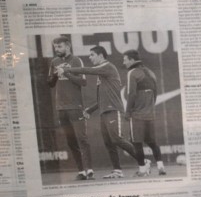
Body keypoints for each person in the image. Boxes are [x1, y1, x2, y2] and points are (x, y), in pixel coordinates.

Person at [62, 45, 145, 179]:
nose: (90, 57)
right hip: (104, 111)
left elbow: (88, 70)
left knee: (117, 139)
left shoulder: (107, 66)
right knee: (109, 143)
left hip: (113, 110)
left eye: (92, 55)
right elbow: (102, 99)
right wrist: (90, 110)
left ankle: (144, 161)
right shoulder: (102, 74)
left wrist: (67, 69)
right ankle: (117, 170)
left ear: (100, 56)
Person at [46, 35, 93, 180]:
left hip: (75, 106)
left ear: (67, 46)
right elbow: (50, 84)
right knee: (71, 141)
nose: (57, 49)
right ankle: (81, 171)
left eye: (59, 47)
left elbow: (83, 82)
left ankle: (89, 170)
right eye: (55, 47)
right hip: (61, 108)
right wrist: (55, 75)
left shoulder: (76, 60)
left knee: (82, 139)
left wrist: (66, 72)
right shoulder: (54, 62)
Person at [122, 49, 165, 175]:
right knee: (152, 142)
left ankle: (142, 169)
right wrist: (149, 108)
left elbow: (131, 94)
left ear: (131, 60)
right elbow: (155, 94)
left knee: (136, 143)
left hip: (137, 115)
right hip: (150, 114)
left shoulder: (132, 73)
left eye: (125, 60)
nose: (124, 63)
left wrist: (127, 112)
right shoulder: (151, 72)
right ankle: (161, 167)